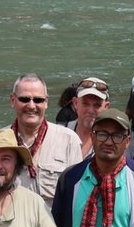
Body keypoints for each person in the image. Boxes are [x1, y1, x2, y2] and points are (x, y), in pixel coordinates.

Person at [53, 108, 134, 227]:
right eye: (102, 134)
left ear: (128, 141)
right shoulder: (70, 178)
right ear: (92, 136)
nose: (108, 142)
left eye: (117, 136)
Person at [7, 74, 82, 204]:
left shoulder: (69, 140)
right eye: (24, 99)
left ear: (46, 102)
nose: (31, 106)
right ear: (13, 100)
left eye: (38, 100)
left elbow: (77, 195)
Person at [69, 76, 111, 155]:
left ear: (106, 107)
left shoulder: (111, 142)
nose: (91, 110)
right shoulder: (59, 134)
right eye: (85, 104)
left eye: (97, 105)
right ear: (75, 103)